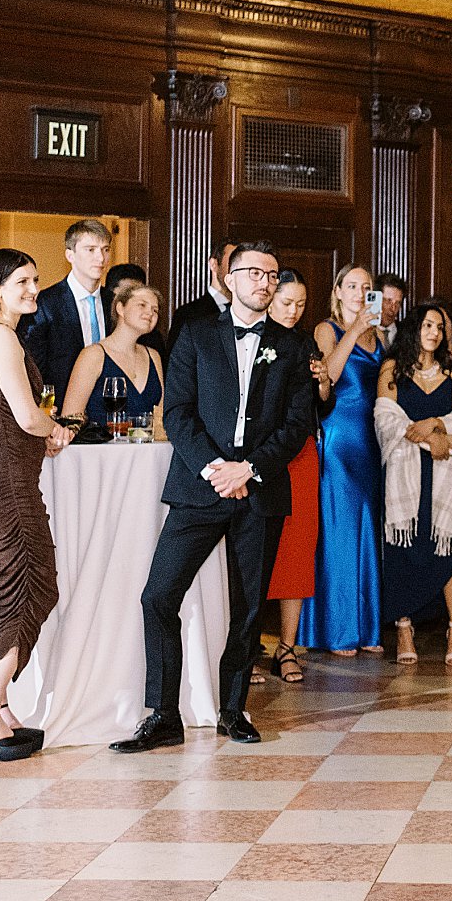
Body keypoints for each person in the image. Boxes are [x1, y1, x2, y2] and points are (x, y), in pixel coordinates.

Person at [111, 242, 319, 753]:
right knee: (158, 595)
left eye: (272, 275)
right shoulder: (196, 335)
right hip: (199, 487)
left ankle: (233, 709)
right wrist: (215, 469)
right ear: (229, 278)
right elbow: (178, 410)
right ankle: (163, 713)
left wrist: (249, 468)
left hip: (260, 489)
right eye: (253, 273)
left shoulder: (292, 348)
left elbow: (297, 425)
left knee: (248, 607)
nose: (265, 282)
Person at [0, 249, 73, 762]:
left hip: (3, 473)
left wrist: (41, 432)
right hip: (6, 478)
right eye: (22, 281)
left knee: (12, 586)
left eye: (35, 279)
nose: (33, 288)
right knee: (35, 584)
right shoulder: (0, 335)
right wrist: (56, 430)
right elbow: (28, 416)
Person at [373, 304, 452, 666]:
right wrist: (433, 440)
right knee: (403, 545)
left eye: (440, 328)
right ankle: (403, 626)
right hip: (405, 472)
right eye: (428, 325)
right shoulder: (391, 369)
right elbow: (386, 419)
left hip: (444, 473)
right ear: (414, 329)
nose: (434, 332)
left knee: (447, 547)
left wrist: (435, 422)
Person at [299, 266, 386, 657]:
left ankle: (366, 626)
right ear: (338, 291)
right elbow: (328, 378)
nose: (359, 292)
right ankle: (337, 629)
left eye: (366, 287)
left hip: (372, 439)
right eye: (352, 286)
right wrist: (352, 330)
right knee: (339, 530)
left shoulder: (380, 335)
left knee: (368, 526)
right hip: (337, 436)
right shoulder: (326, 329)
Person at [260, 270, 324, 682]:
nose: (293, 311)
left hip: (299, 455)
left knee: (297, 548)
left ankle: (287, 646)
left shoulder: (305, 343)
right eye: (287, 302)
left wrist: (323, 387)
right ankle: (245, 648)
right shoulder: (249, 336)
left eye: (301, 304)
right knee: (253, 549)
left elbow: (322, 406)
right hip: (254, 457)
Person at [59, 278, 163, 434]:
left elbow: (161, 416)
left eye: (155, 310)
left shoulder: (153, 356)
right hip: (102, 453)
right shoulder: (93, 355)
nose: (150, 313)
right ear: (120, 308)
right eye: (142, 305)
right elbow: (70, 418)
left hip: (147, 454)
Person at [22, 218, 112, 393]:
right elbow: (35, 368)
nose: (100, 258)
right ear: (70, 255)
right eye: (90, 250)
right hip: (61, 409)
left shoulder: (114, 303)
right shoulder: (45, 304)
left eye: (105, 250)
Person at [169, 236, 237, 348]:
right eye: (232, 262)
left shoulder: (248, 311)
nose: (236, 270)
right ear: (214, 264)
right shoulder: (188, 314)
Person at [105, 262, 166, 358]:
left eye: (155, 310)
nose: (149, 312)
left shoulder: (153, 341)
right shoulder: (101, 327)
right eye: (126, 294)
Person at [376, 274, 407, 348]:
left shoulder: (406, 333)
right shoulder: (364, 332)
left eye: (397, 303)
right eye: (388, 301)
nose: (393, 308)